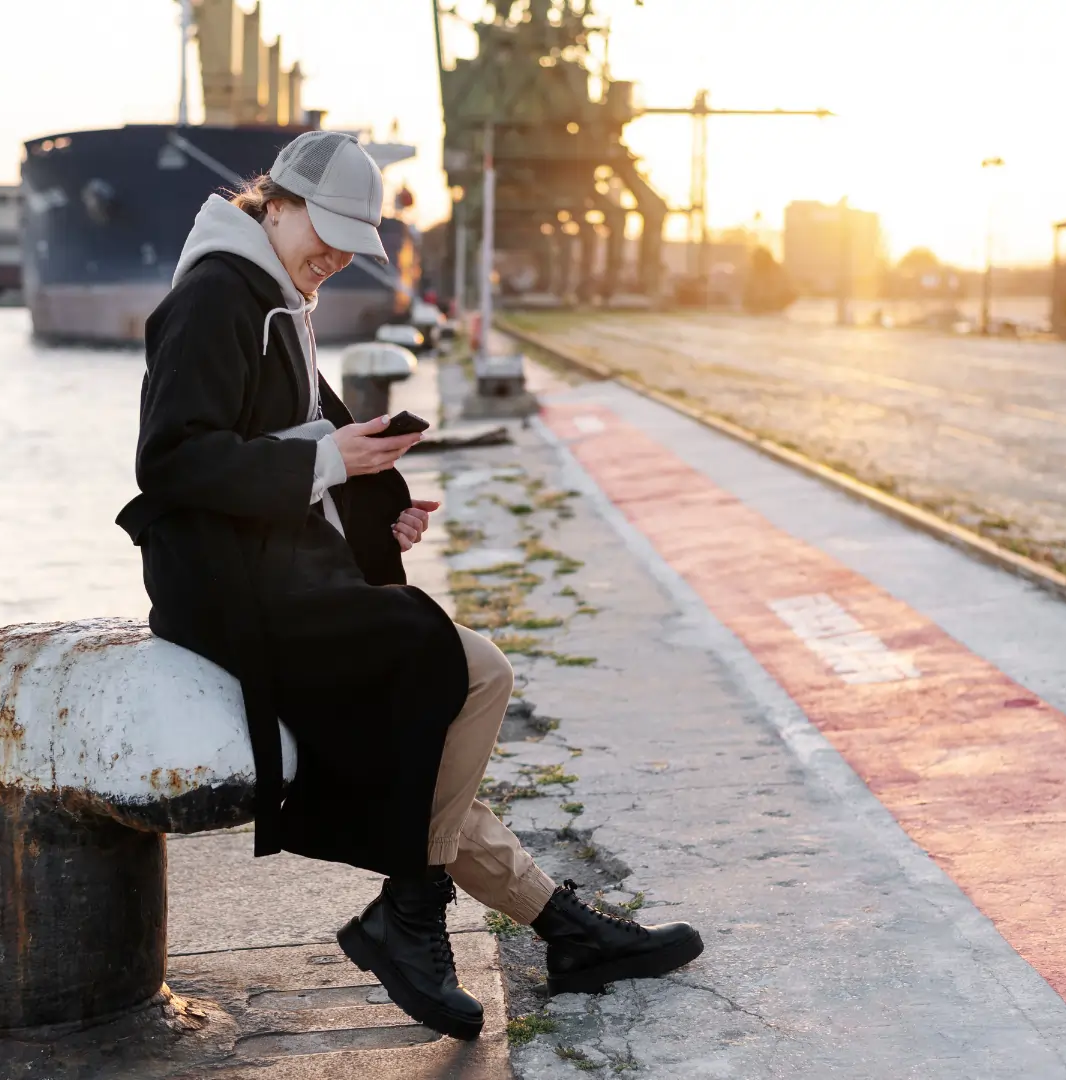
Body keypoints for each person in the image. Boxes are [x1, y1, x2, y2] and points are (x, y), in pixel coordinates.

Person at [116, 130, 701, 1040]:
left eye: (355, 239)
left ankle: (557, 927)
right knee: (466, 670)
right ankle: (416, 910)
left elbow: (307, 445)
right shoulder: (214, 298)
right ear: (275, 204)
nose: (339, 255)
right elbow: (172, 464)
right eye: (329, 230)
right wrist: (328, 464)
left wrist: (372, 505)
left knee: (442, 732)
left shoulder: (272, 293)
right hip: (227, 594)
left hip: (274, 573)